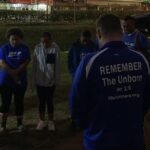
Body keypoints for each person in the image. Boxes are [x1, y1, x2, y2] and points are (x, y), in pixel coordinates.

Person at [70, 14, 150, 150]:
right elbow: (146, 98)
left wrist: (84, 124)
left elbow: (76, 101)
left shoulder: (90, 62)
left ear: (99, 33)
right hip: (133, 139)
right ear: (121, 31)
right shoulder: (141, 59)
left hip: (100, 140)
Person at [0, 28, 30, 132]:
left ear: (20, 39)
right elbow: (2, 62)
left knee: (19, 102)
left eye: (16, 39)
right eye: (12, 39)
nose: (14, 42)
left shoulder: (24, 48)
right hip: (6, 81)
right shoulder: (4, 48)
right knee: (5, 103)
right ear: (8, 38)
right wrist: (13, 74)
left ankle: (19, 124)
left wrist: (17, 72)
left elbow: (26, 62)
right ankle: (3, 125)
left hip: (20, 80)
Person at [32, 32, 60, 131]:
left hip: (50, 82)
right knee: (41, 102)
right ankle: (42, 121)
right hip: (40, 81)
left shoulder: (55, 48)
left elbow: (57, 65)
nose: (45, 44)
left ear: (51, 40)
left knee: (49, 101)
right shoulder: (37, 48)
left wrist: (56, 80)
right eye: (43, 41)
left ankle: (51, 121)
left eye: (47, 42)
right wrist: (34, 79)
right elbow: (34, 65)